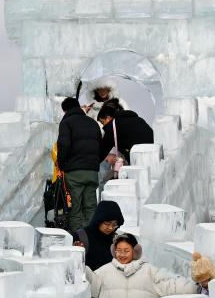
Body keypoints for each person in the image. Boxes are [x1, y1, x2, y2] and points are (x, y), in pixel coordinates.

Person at [89, 232, 198, 298]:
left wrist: (198, 286)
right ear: (113, 251)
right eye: (118, 250)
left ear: (135, 251)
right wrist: (79, 264)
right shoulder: (104, 271)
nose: (122, 254)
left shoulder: (149, 271)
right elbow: (90, 283)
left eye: (126, 251)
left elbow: (171, 285)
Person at [56, 97, 103, 233]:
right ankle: (92, 236)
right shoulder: (93, 123)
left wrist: (62, 164)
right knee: (91, 206)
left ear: (65, 110)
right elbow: (100, 146)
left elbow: (63, 145)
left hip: (74, 172)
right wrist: (94, 163)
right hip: (92, 171)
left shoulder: (66, 123)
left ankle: (79, 240)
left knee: (75, 207)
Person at [98, 99, 154, 169]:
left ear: (108, 118)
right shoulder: (138, 119)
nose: (103, 126)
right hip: (153, 154)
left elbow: (101, 152)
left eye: (103, 122)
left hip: (140, 159)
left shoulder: (113, 126)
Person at [74, 200, 124, 271]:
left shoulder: (116, 241)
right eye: (107, 223)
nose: (110, 228)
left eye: (114, 225)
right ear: (98, 220)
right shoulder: (80, 237)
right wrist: (76, 255)